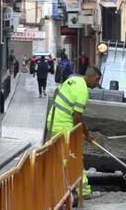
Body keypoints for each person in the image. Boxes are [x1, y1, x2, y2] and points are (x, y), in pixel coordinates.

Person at [44, 67, 103, 197]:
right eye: (97, 82)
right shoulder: (83, 91)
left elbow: (57, 91)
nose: (96, 86)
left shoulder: (72, 80)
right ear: (95, 78)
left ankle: (58, 188)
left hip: (53, 120)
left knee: (60, 157)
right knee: (73, 157)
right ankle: (84, 192)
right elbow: (77, 116)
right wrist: (86, 134)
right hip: (63, 126)